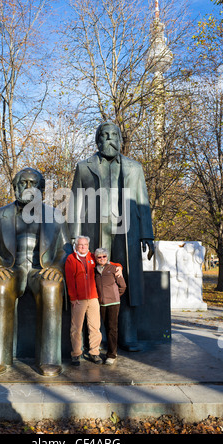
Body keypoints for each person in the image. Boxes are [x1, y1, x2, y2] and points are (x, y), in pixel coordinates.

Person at [68, 121, 154, 351]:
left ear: (120, 139)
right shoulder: (84, 167)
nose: (108, 139)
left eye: (113, 135)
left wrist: (147, 234)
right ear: (97, 140)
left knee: (124, 282)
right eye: (104, 135)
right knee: (95, 283)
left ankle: (128, 334)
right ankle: (97, 335)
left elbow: (143, 203)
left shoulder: (134, 168)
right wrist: (73, 238)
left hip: (126, 233)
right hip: (94, 232)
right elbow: (75, 204)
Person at [0, 167, 72, 377]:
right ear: (15, 187)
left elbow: (65, 248)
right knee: (0, 286)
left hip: (41, 270)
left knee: (51, 286)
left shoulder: (55, 216)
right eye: (23, 183)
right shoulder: (0, 215)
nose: (28, 188)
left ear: (41, 189)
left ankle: (49, 358)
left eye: (33, 184)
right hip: (11, 269)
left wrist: (58, 268)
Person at [65, 235, 122, 366]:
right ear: (76, 246)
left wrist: (119, 266)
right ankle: (76, 354)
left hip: (93, 298)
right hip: (78, 299)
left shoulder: (92, 257)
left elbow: (107, 262)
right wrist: (73, 298)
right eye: (80, 245)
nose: (83, 247)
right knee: (76, 328)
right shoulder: (71, 259)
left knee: (95, 327)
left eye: (85, 245)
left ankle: (94, 353)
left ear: (88, 246)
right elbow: (69, 280)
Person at [94, 248, 127, 365]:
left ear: (107, 257)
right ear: (96, 258)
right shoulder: (95, 270)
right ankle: (111, 350)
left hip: (113, 304)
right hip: (102, 303)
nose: (102, 258)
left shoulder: (114, 269)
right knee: (106, 327)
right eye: (99, 257)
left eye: (104, 256)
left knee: (112, 328)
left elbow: (122, 286)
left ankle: (112, 355)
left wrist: (115, 296)